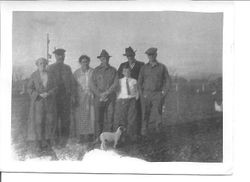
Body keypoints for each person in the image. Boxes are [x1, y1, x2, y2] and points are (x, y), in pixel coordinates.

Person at [138, 47, 171, 136]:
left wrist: (164, 92)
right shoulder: (144, 68)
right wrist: (142, 94)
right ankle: (144, 131)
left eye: (152, 55)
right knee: (145, 113)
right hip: (146, 94)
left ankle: (158, 132)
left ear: (156, 55)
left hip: (157, 94)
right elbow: (139, 82)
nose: (150, 57)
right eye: (149, 55)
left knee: (158, 113)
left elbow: (167, 81)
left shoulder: (162, 67)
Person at [26, 57, 57, 153]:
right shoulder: (34, 75)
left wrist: (49, 93)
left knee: (49, 121)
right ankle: (38, 143)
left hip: (48, 102)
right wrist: (37, 95)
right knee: (39, 122)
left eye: (44, 63)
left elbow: (55, 87)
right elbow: (29, 88)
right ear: (37, 65)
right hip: (38, 102)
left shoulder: (50, 75)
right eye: (40, 63)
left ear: (46, 64)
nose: (42, 65)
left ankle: (47, 142)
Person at [47, 48, 75, 147]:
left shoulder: (67, 68)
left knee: (65, 120)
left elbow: (71, 83)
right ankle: (54, 141)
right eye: (59, 55)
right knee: (53, 120)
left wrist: (72, 95)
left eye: (62, 55)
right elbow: (47, 83)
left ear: (64, 56)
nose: (61, 57)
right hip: (54, 98)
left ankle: (64, 141)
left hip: (65, 98)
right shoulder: (50, 68)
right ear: (55, 56)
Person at [90, 49, 118, 138]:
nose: (104, 60)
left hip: (110, 98)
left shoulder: (113, 70)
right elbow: (92, 84)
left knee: (110, 118)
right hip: (98, 98)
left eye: (106, 58)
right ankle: (98, 138)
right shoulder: (96, 70)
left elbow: (115, 83)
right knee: (98, 119)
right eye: (102, 59)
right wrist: (99, 94)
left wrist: (107, 93)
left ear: (108, 59)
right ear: (100, 60)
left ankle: (109, 139)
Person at [117, 47, 144, 137]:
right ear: (126, 56)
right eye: (128, 56)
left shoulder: (140, 65)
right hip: (125, 96)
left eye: (131, 55)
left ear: (134, 55)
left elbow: (143, 78)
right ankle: (124, 136)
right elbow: (119, 80)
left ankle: (136, 134)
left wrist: (139, 93)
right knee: (123, 116)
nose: (130, 57)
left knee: (136, 114)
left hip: (136, 92)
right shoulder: (122, 65)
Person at [72, 55, 95, 144]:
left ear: (88, 62)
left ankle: (90, 135)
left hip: (91, 96)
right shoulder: (76, 73)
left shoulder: (92, 71)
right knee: (81, 116)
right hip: (80, 97)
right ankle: (81, 136)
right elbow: (73, 86)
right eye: (83, 62)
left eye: (86, 61)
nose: (85, 63)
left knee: (91, 115)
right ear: (80, 63)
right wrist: (75, 96)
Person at [114, 66, 139, 143]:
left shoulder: (134, 81)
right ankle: (122, 137)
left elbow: (136, 90)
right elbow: (117, 91)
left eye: (128, 71)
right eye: (125, 71)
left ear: (130, 72)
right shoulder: (119, 81)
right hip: (122, 100)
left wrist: (136, 98)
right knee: (123, 118)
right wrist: (118, 98)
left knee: (131, 118)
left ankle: (131, 136)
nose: (127, 73)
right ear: (122, 72)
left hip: (131, 100)